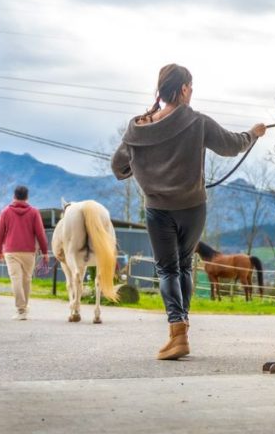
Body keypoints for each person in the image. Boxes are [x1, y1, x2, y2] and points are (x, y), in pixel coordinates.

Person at [112, 63, 266, 360]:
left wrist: (146, 168)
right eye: (191, 86)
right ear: (183, 89)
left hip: (157, 210)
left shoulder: (138, 128)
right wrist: (253, 133)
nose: (192, 91)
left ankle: (177, 331)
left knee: (167, 269)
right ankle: (181, 332)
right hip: (193, 208)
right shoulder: (198, 123)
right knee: (182, 265)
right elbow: (232, 146)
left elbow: (119, 168)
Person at [0, 185, 50, 320]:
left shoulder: (6, 211)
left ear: (14, 197)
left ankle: (21, 310)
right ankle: (24, 309)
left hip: (11, 251)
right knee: (26, 280)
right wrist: (45, 252)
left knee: (16, 279)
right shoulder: (34, 212)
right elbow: (40, 233)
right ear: (27, 197)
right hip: (29, 252)